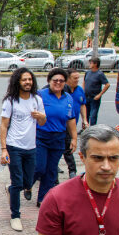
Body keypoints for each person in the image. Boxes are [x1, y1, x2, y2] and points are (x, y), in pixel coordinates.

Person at [0, 68, 46, 231]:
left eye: (30, 79)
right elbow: (3, 125)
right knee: (17, 181)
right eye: (24, 80)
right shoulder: (11, 101)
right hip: (14, 146)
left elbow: (42, 122)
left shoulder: (37, 100)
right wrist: (4, 149)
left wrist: (42, 117)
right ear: (18, 82)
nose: (28, 82)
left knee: (28, 182)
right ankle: (15, 216)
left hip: (31, 147)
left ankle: (12, 189)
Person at [35, 68, 77, 206]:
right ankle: (23, 185)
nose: (58, 83)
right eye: (55, 80)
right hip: (41, 136)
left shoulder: (68, 98)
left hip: (59, 138)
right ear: (49, 81)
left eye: (61, 81)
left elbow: (71, 119)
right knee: (39, 167)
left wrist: (74, 138)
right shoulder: (40, 95)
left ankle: (43, 199)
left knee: (51, 170)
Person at [64, 68, 88, 179]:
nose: (77, 80)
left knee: (68, 147)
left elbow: (83, 105)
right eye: (75, 78)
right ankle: (70, 170)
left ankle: (72, 171)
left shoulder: (79, 90)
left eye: (78, 78)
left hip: (72, 125)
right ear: (68, 79)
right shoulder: (61, 90)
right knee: (63, 148)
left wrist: (85, 120)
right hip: (60, 125)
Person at [83, 57, 110, 126]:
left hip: (94, 98)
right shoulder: (87, 72)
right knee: (85, 115)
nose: (89, 64)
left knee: (93, 115)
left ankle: (92, 129)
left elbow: (107, 84)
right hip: (86, 96)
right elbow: (84, 81)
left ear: (95, 64)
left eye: (91, 63)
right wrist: (83, 91)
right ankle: (85, 128)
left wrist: (99, 95)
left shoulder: (100, 74)